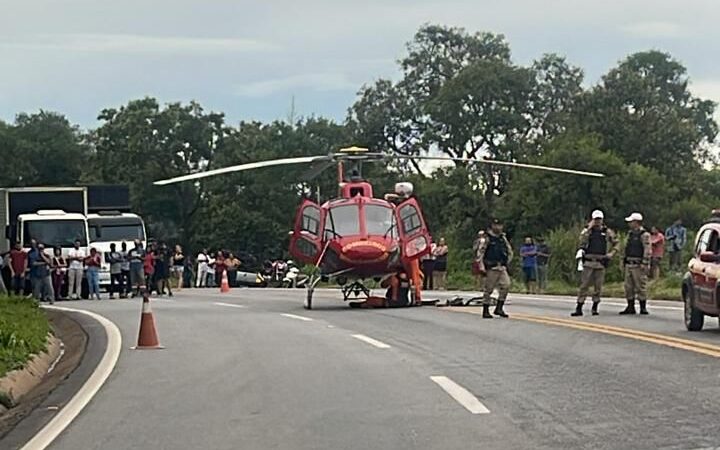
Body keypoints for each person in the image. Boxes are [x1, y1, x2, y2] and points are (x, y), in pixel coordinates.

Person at [572, 210, 619, 317]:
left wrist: (612, 253)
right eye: (595, 219)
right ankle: (579, 306)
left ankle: (595, 307)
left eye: (599, 219)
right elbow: (581, 242)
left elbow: (616, 243)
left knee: (598, 287)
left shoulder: (607, 232)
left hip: (600, 261)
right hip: (588, 261)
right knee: (584, 285)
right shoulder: (587, 231)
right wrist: (588, 228)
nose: (597, 222)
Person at [476, 218, 513, 319]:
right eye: (496, 225)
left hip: (501, 266)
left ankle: (499, 308)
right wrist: (481, 265)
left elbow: (509, 250)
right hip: (491, 266)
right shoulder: (487, 238)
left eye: (500, 225)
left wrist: (507, 261)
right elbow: (481, 252)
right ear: (492, 226)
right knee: (489, 289)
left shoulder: (502, 238)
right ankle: (486, 309)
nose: (498, 227)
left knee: (506, 285)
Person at [621, 213, 652, 315]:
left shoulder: (644, 235)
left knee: (640, 286)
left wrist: (645, 262)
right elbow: (625, 248)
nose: (629, 223)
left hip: (638, 264)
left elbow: (647, 249)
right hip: (629, 263)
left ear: (636, 222)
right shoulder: (630, 234)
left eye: (631, 222)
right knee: (628, 286)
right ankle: (630, 306)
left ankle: (643, 307)